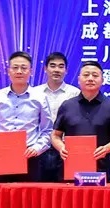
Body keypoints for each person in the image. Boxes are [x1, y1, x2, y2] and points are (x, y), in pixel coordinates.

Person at [0, 51, 53, 182]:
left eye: (24, 68)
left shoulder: (40, 98)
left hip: (30, 158)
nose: (19, 71)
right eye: (15, 67)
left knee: (29, 195)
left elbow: (47, 130)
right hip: (1, 157)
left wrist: (37, 148)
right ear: (8, 71)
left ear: (30, 71)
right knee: (0, 195)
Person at [50, 60, 110, 180]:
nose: (90, 78)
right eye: (86, 75)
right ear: (78, 79)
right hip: (69, 168)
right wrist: (61, 147)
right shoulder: (67, 105)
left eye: (95, 75)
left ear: (102, 80)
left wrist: (106, 149)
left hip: (99, 170)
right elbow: (55, 135)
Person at [31, 52, 80, 183]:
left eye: (61, 66)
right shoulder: (34, 93)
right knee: (39, 188)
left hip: (65, 149)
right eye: (52, 66)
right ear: (45, 69)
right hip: (39, 148)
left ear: (66, 70)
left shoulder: (75, 93)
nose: (56, 70)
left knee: (64, 188)